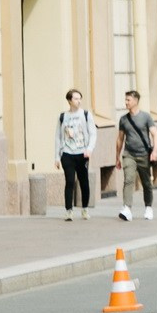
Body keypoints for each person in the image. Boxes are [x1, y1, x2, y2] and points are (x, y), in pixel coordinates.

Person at [114, 90, 156, 221]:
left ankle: (148, 207)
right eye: (125, 100)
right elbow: (120, 139)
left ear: (136, 101)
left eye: (128, 100)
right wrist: (117, 157)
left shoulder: (146, 117)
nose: (126, 102)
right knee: (128, 180)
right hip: (129, 154)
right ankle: (127, 208)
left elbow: (155, 134)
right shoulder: (123, 119)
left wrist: (155, 151)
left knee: (146, 183)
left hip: (144, 154)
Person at [57, 89, 96, 221]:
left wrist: (89, 149)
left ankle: (84, 209)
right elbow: (58, 137)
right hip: (67, 153)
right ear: (69, 100)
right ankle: (69, 211)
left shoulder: (85, 115)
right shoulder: (63, 116)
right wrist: (57, 156)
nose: (78, 101)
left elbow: (93, 133)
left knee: (84, 182)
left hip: (82, 154)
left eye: (80, 98)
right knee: (69, 181)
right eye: (75, 99)